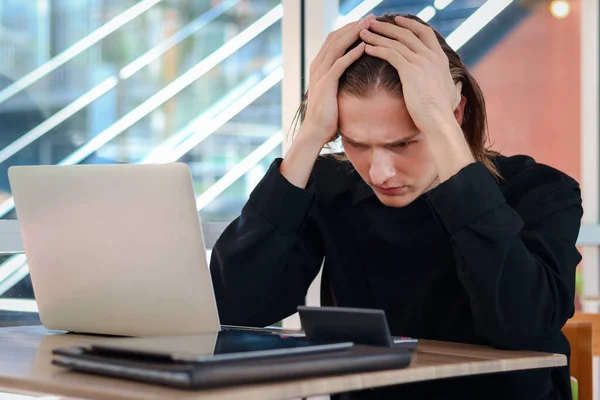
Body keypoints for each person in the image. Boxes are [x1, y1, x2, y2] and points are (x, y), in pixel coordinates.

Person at [210, 13, 582, 400]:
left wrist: (439, 125)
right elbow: (235, 308)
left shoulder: (543, 191)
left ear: (455, 113)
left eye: (403, 143)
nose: (380, 172)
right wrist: (309, 135)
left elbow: (522, 324)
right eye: (355, 142)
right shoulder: (329, 187)